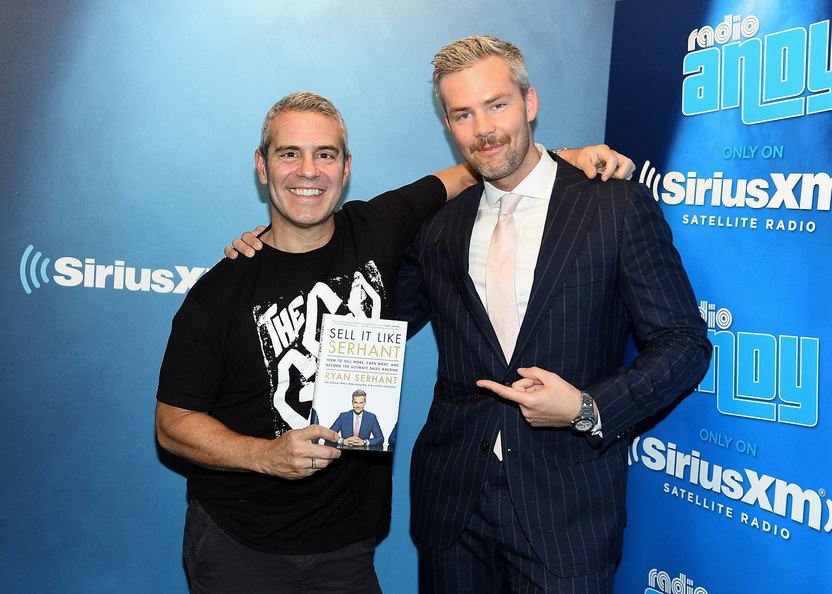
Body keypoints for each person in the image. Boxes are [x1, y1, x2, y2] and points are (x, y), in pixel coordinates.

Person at [160, 91, 632, 593]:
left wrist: (563, 157)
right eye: (288, 154)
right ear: (262, 166)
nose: (308, 171)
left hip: (347, 548)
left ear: (346, 168)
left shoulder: (379, 226)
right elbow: (173, 425)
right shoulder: (222, 289)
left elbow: (478, 165)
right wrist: (265, 456)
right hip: (239, 544)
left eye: (325, 154)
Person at [392, 36, 712, 593]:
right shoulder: (439, 228)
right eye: (464, 115)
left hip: (568, 508)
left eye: (497, 105)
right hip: (453, 503)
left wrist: (588, 408)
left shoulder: (614, 205)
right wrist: (280, 244)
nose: (484, 129)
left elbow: (684, 342)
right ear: (449, 124)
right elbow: (377, 317)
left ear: (530, 101)